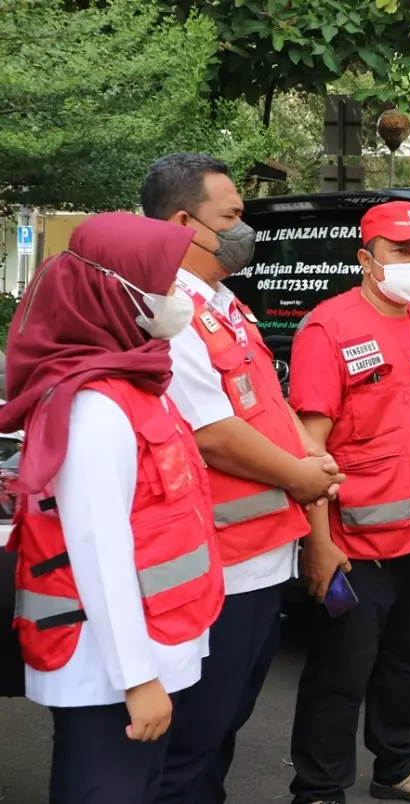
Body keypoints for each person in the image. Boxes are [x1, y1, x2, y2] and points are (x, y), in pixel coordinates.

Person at [0, 213, 226, 803]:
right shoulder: (94, 407)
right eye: (166, 284)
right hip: (107, 670)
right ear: (114, 294)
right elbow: (99, 552)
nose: (178, 297)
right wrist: (139, 678)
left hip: (149, 649)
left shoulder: (135, 383)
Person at [141, 153, 344, 804]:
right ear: (183, 223)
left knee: (222, 727)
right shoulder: (168, 312)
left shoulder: (225, 304)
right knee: (192, 742)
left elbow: (267, 407)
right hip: (216, 568)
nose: (244, 228)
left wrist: (305, 463)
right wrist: (302, 474)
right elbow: (212, 434)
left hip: (261, 553)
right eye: (231, 216)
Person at [285, 201, 410, 804]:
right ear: (366, 260)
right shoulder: (327, 328)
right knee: (341, 674)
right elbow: (309, 448)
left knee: (407, 662)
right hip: (356, 544)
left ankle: (396, 766)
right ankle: (319, 788)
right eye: (402, 252)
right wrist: (319, 543)